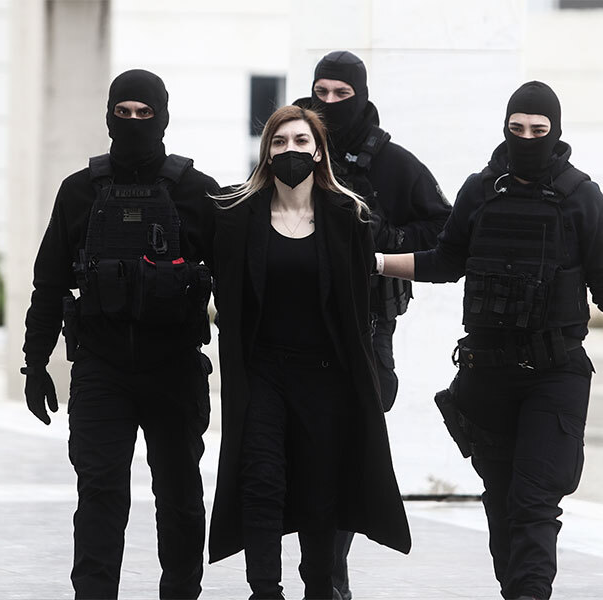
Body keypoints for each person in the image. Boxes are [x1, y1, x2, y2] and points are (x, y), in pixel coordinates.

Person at [379, 81, 603, 600]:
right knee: (502, 504)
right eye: (516, 128)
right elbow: (445, 261)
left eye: (538, 130)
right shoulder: (481, 191)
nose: (526, 138)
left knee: (533, 502)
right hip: (488, 374)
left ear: (556, 131)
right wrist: (372, 263)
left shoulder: (581, 196)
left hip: (555, 372)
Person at [20, 69, 219, 600]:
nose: (132, 122)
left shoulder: (198, 192)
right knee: (100, 495)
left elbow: (237, 285)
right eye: (123, 112)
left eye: (144, 113)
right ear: (108, 116)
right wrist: (35, 363)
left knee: (180, 497)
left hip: (174, 370)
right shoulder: (78, 191)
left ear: (163, 118)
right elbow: (49, 284)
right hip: (101, 369)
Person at [207, 105, 411, 600]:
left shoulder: (348, 218)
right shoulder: (238, 217)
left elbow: (359, 311)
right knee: (261, 482)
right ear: (266, 154)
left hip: (325, 377)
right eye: (279, 142)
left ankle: (319, 588)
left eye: (301, 141)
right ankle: (264, 591)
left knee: (321, 492)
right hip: (262, 375)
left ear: (319, 152)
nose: (290, 150)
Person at [294, 49, 451, 600]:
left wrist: (379, 242)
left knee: (342, 457)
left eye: (342, 94)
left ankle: (326, 581)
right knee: (302, 459)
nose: (329, 103)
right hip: (296, 330)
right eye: (321, 92)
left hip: (366, 330)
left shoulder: (393, 165)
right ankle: (320, 579)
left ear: (361, 96)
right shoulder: (293, 149)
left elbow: (444, 232)